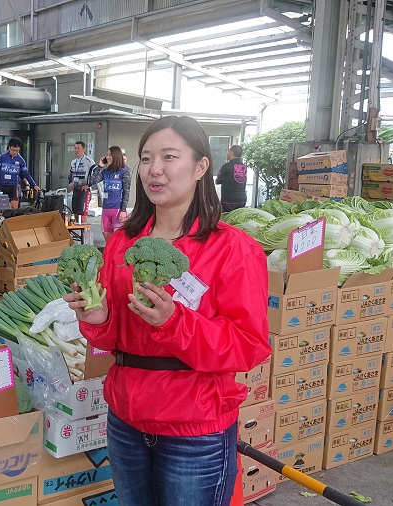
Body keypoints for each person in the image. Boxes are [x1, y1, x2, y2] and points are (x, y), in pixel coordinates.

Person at [64, 116, 270, 506]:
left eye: (169, 157)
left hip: (195, 427)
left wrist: (174, 323)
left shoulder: (233, 248)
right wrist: (96, 319)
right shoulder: (122, 242)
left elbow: (249, 346)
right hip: (125, 419)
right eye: (145, 158)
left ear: (201, 166)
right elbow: (112, 339)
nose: (154, 169)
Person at [90, 145, 131, 242]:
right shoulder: (105, 172)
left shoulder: (124, 172)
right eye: (107, 155)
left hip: (117, 209)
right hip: (106, 209)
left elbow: (126, 191)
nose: (107, 157)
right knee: (108, 240)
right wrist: (99, 166)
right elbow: (92, 181)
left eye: (110, 155)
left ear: (116, 156)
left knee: (117, 240)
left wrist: (123, 210)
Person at [0, 137, 40, 209]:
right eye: (13, 150)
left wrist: (34, 185)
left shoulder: (21, 160)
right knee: (1, 208)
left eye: (17, 151)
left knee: (14, 208)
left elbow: (26, 174)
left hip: (14, 186)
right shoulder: (2, 157)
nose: (15, 152)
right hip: (2, 185)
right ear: (9, 148)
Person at [68, 141, 98, 224]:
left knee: (83, 216)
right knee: (75, 215)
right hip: (76, 191)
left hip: (84, 191)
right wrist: (70, 183)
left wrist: (89, 185)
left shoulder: (88, 161)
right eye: (75, 148)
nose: (76, 150)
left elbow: (96, 174)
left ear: (83, 149)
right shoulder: (73, 162)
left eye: (78, 148)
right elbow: (70, 174)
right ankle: (78, 235)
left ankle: (86, 235)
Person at [216, 145, 248, 212]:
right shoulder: (244, 167)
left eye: (228, 152)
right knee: (238, 220)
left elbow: (218, 180)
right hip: (242, 199)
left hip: (229, 200)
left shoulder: (226, 166)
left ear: (231, 153)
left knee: (227, 219)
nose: (226, 154)